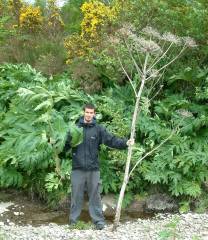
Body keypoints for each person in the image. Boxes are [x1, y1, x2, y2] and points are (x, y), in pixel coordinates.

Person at [63, 103, 134, 230]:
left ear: (94, 114)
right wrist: (55, 143)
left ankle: (99, 222)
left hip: (93, 169)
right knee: (76, 196)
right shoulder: (75, 128)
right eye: (87, 112)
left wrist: (126, 143)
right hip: (77, 168)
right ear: (83, 112)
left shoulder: (99, 129)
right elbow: (65, 146)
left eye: (91, 113)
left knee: (95, 196)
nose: (89, 115)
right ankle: (73, 222)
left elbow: (111, 140)